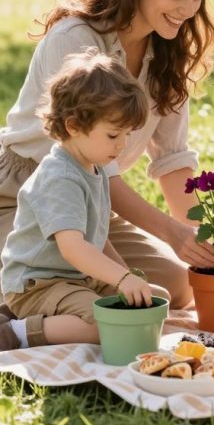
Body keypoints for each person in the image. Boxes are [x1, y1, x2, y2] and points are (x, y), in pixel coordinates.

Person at [0, 0, 214, 321]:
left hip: (91, 201)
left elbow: (173, 161)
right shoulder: (76, 40)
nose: (188, 10)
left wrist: (199, 239)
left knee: (175, 285)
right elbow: (76, 162)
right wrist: (170, 233)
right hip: (21, 194)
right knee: (45, 283)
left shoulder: (167, 56)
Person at [0, 52, 169, 351]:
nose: (123, 145)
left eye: (128, 134)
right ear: (74, 126)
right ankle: (14, 333)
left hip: (76, 278)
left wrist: (125, 277)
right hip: (38, 283)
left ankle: (24, 319)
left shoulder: (93, 165)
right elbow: (74, 249)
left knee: (154, 299)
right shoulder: (60, 177)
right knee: (104, 324)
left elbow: (97, 238)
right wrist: (121, 279)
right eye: (114, 134)